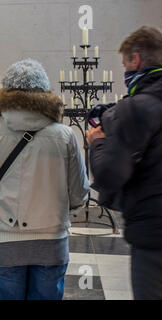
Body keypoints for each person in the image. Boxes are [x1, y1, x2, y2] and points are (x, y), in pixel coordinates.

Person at [0, 59, 89, 300]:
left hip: (4, 240)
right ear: (44, 94)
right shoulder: (65, 135)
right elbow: (79, 191)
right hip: (51, 241)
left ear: (5, 94)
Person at [86, 26, 162, 300]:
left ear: (135, 60)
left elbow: (109, 174)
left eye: (124, 64)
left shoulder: (137, 108)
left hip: (153, 235)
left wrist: (97, 141)